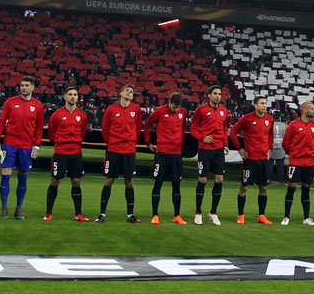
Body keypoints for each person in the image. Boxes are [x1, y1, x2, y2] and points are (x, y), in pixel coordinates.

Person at [0, 77, 45, 221]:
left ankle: (19, 209)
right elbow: (1, 121)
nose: (24, 88)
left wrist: (37, 146)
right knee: (5, 173)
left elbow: (39, 127)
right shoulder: (10, 102)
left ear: (33, 88)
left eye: (27, 85)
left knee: (23, 176)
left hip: (26, 146)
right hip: (9, 143)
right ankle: (4, 208)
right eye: (22, 85)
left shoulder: (38, 106)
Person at [95, 84, 143, 223]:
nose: (129, 92)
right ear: (121, 93)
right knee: (109, 180)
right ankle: (102, 213)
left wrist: (131, 142)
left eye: (131, 92)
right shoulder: (111, 109)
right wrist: (111, 144)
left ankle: (130, 215)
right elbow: (105, 129)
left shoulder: (136, 110)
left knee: (129, 182)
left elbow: (138, 127)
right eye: (127, 90)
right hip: (113, 151)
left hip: (129, 151)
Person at [43, 87, 90, 222]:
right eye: (70, 94)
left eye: (75, 95)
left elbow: (83, 133)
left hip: (76, 153)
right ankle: (48, 213)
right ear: (65, 97)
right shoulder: (57, 115)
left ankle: (78, 214)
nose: (72, 97)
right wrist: (59, 143)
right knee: (55, 181)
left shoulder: (82, 115)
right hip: (61, 153)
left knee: (76, 181)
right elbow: (51, 134)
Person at [145, 92, 190, 225]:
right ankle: (155, 215)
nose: (175, 109)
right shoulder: (159, 111)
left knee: (176, 185)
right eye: (173, 107)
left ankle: (177, 215)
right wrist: (148, 142)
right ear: (169, 102)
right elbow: (147, 125)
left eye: (177, 107)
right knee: (158, 183)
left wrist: (180, 142)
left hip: (176, 154)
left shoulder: (183, 112)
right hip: (162, 153)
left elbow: (182, 128)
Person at [230, 96, 276, 225]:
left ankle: (261, 215)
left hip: (264, 159)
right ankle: (241, 215)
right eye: (262, 103)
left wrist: (270, 148)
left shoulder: (269, 119)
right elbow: (233, 132)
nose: (264, 106)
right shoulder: (247, 119)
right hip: (250, 159)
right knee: (244, 187)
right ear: (255, 105)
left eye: (265, 103)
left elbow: (271, 134)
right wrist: (239, 148)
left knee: (263, 188)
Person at [190, 85, 230, 225]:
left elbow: (224, 128)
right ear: (209, 95)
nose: (218, 96)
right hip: (205, 149)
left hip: (219, 149)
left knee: (219, 179)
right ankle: (198, 212)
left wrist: (225, 143)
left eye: (220, 94)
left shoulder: (224, 111)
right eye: (215, 93)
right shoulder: (201, 110)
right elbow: (193, 128)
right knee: (202, 180)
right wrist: (201, 137)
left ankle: (213, 212)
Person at [281, 101, 314, 225]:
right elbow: (286, 143)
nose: (313, 111)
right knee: (291, 188)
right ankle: (286, 217)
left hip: (309, 162)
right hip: (296, 162)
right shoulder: (293, 125)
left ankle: (306, 218)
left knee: (306, 189)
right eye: (311, 109)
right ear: (304, 110)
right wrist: (293, 154)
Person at [270, 114, 287, 185]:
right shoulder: (285, 125)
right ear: (280, 117)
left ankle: (268, 180)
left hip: (271, 147)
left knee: (269, 166)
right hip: (281, 147)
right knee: (281, 166)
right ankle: (281, 181)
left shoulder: (270, 125)